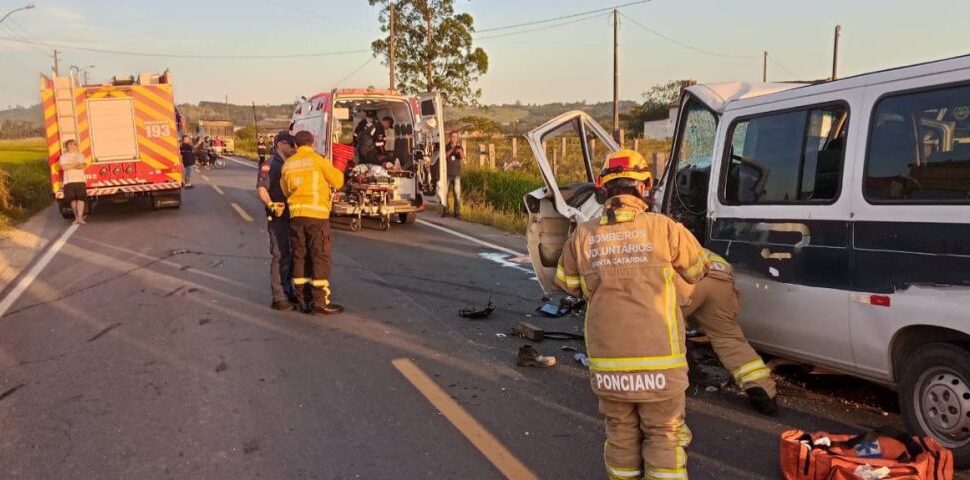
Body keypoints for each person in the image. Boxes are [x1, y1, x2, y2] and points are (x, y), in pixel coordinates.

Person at [556, 149, 711, 480]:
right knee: (664, 435)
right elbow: (698, 270)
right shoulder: (666, 228)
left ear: (603, 188)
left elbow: (568, 284)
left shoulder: (583, 234)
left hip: (609, 365)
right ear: (645, 187)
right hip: (661, 363)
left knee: (621, 436)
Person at [680, 250, 778, 415]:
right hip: (720, 273)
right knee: (727, 337)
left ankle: (665, 389)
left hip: (687, 279)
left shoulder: (637, 234)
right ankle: (763, 391)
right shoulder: (675, 232)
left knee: (655, 329)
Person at [281, 130, 345, 315]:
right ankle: (319, 301)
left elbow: (286, 191)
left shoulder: (288, 164)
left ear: (295, 145)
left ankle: (302, 299)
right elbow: (338, 181)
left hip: (296, 217)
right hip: (316, 216)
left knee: (300, 257)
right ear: (312, 143)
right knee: (319, 257)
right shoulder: (318, 160)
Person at [258, 131, 299, 311]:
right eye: (291, 145)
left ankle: (289, 290)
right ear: (281, 144)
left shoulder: (291, 164)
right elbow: (262, 189)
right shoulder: (270, 164)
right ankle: (279, 297)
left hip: (293, 214)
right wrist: (271, 205)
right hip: (278, 216)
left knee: (291, 255)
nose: (294, 149)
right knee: (280, 254)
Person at [59, 139, 88, 224]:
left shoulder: (80, 155)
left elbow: (83, 166)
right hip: (68, 181)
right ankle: (76, 217)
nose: (72, 146)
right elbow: (64, 168)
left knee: (81, 199)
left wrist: (70, 165)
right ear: (66, 146)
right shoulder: (63, 156)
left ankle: (80, 218)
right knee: (72, 200)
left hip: (80, 180)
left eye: (74, 144)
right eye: (70, 144)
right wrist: (76, 164)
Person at [442, 131, 464, 217]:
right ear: (450, 137)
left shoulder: (460, 147)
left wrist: (460, 152)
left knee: (457, 193)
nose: (454, 138)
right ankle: (445, 211)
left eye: (455, 137)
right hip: (447, 173)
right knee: (445, 193)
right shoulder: (446, 146)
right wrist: (452, 149)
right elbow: (445, 155)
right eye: (453, 137)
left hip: (456, 173)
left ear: (457, 138)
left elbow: (463, 157)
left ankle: (457, 212)